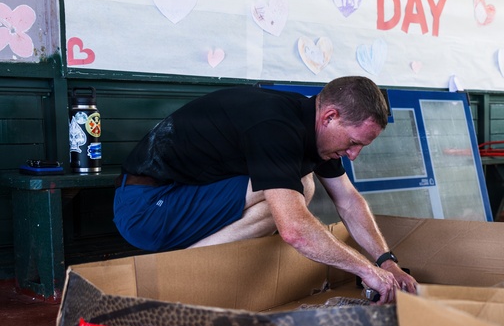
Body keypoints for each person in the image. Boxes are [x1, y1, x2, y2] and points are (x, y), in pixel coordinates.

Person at [113, 76, 418, 303]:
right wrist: (366, 271)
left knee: (297, 187)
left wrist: (386, 262)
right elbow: (294, 229)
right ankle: (180, 278)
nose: (354, 155)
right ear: (330, 117)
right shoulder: (276, 127)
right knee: (296, 190)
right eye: (353, 143)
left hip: (179, 200)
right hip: (146, 209)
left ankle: (204, 274)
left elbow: (349, 201)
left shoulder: (313, 132)